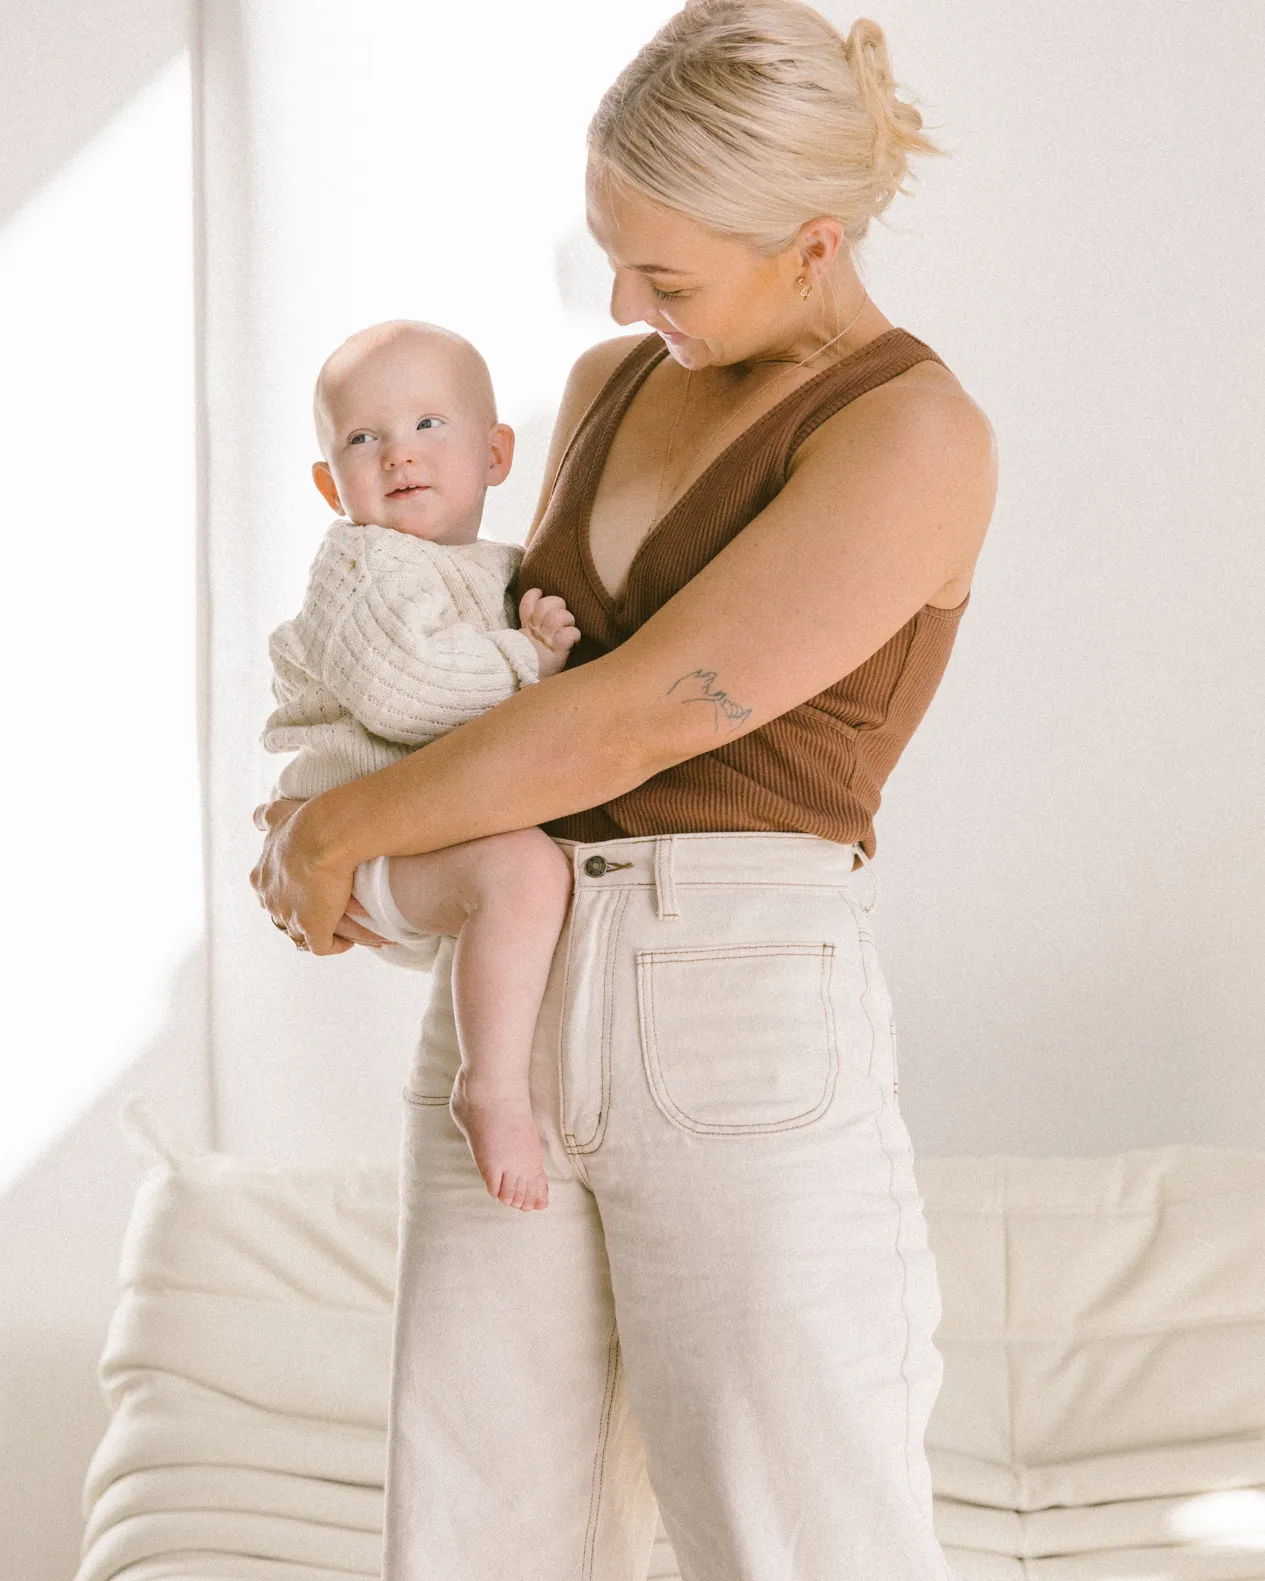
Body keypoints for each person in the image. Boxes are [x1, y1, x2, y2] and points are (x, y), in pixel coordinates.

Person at [252, 2, 998, 1576]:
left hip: (732, 1006)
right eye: (609, 255)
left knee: (795, 1537)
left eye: (666, 275)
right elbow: (485, 657)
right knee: (474, 1537)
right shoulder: (606, 381)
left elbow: (633, 718)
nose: (622, 302)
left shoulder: (912, 430)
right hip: (512, 999)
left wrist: (345, 829)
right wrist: (343, 806)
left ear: (809, 242)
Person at [261, 319, 582, 1211]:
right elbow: (409, 690)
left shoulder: (502, 568)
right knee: (522, 868)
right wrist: (530, 662)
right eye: (363, 438)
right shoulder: (362, 563)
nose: (398, 454)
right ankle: (489, 1087)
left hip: (421, 838)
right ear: (332, 484)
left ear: (496, 451)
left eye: (428, 425)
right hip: (359, 843)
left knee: (529, 876)